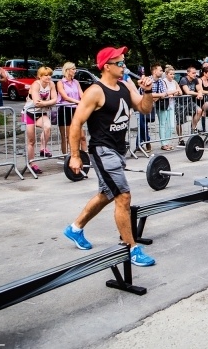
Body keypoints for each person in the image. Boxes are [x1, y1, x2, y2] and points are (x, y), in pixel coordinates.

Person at [64, 46, 156, 267]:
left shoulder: (124, 86)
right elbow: (76, 123)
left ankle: (75, 228)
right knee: (123, 196)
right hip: (102, 150)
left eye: (124, 62)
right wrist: (75, 156)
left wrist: (148, 92)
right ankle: (131, 248)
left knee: (106, 194)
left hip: (117, 149)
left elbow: (144, 109)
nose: (124, 66)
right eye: (120, 63)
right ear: (107, 66)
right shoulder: (95, 91)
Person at [23, 66, 57, 173]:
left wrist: (45, 103)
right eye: (46, 75)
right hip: (29, 113)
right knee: (31, 141)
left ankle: (43, 149)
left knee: (48, 127)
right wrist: (48, 103)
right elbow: (37, 101)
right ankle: (32, 163)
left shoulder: (51, 84)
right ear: (40, 76)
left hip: (41, 113)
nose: (48, 77)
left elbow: (55, 99)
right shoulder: (35, 85)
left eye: (50, 75)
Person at [56, 62, 86, 155]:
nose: (75, 71)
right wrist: (78, 102)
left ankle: (85, 157)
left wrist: (85, 101)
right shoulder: (60, 83)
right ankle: (67, 157)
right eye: (73, 69)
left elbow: (82, 94)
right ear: (67, 70)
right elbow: (65, 97)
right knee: (67, 136)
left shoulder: (76, 82)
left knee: (82, 136)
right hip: (65, 109)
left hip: (76, 110)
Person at [178, 66, 203, 145]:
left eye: (195, 73)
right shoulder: (183, 80)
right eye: (193, 73)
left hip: (189, 101)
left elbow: (199, 89)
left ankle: (193, 128)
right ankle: (180, 139)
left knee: (199, 110)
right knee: (179, 121)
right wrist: (198, 94)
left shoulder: (195, 79)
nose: (195, 74)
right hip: (180, 103)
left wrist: (199, 92)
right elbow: (187, 91)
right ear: (188, 73)